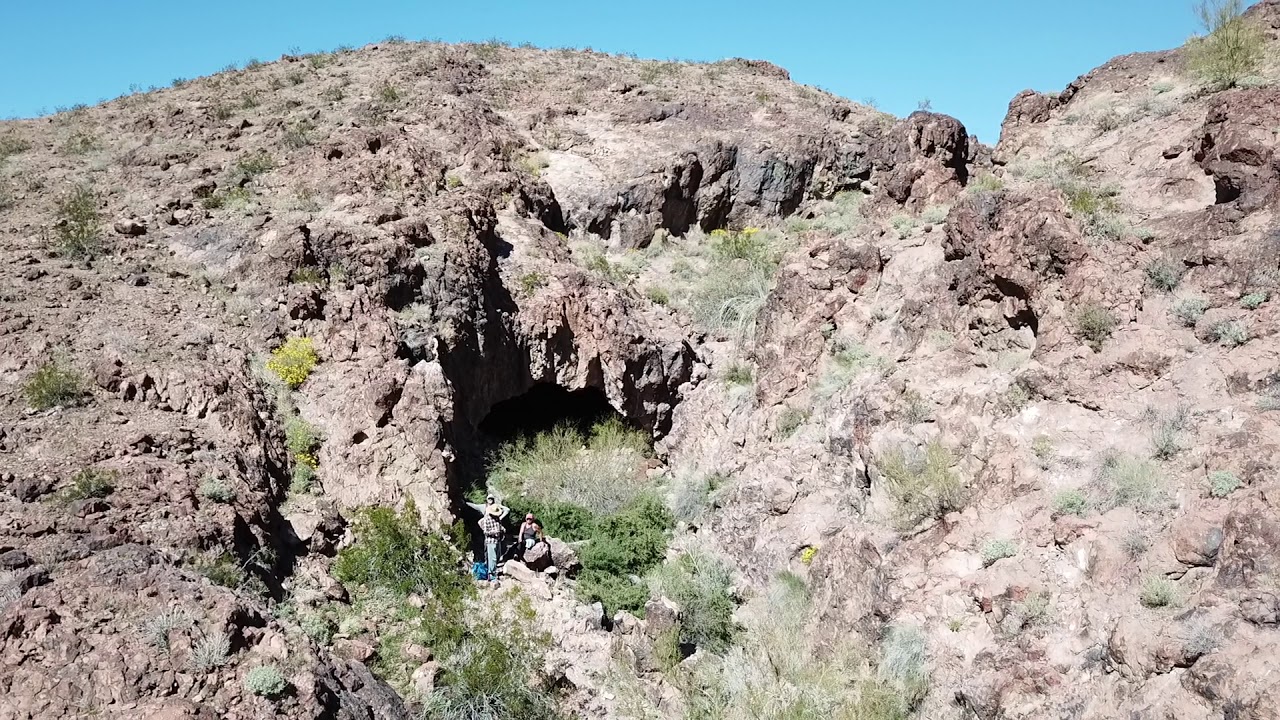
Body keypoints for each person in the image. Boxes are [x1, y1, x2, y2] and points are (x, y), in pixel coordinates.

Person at [475, 495, 509, 582]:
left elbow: (499, 526)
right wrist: (494, 532)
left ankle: (493, 571)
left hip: (497, 540)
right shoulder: (486, 519)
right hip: (491, 541)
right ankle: (491, 574)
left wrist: (502, 529)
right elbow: (486, 532)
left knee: (497, 556)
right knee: (492, 558)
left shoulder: (497, 518)